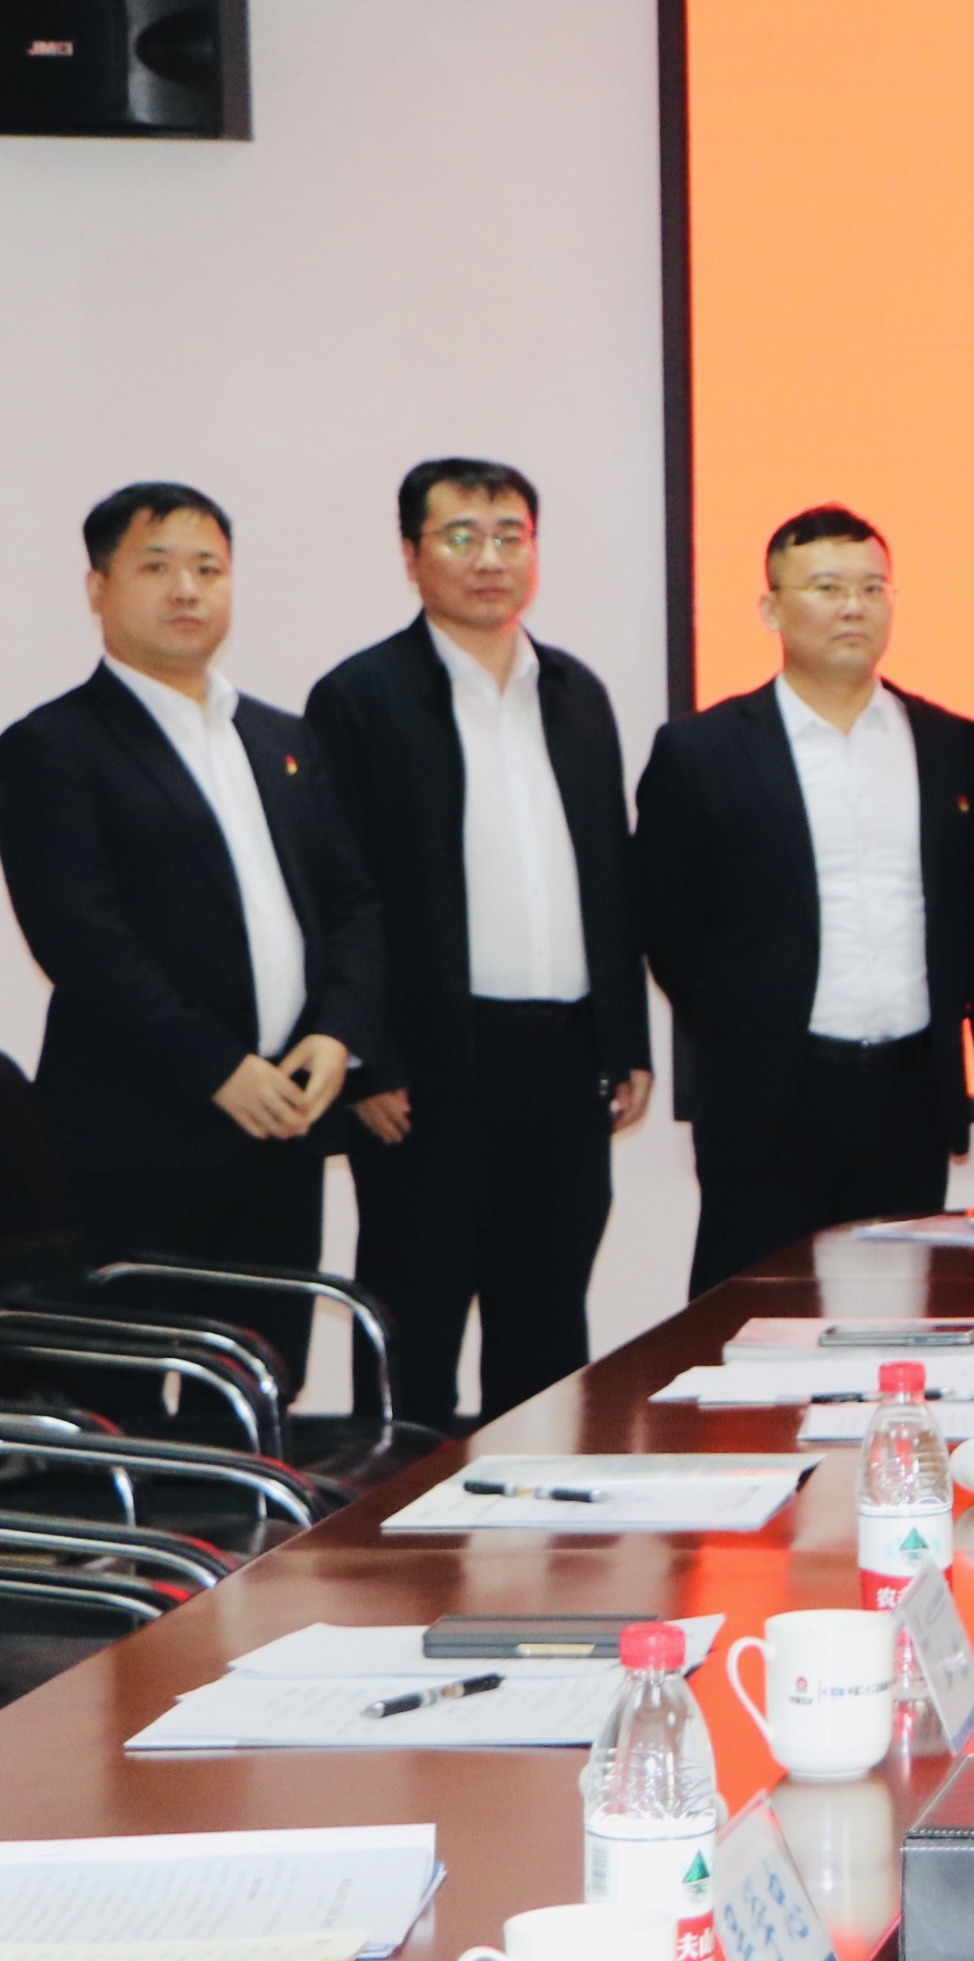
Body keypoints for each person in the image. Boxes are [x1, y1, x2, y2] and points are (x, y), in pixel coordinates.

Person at [0, 484, 383, 1382]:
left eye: (209, 568)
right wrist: (219, 1068)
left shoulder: (282, 738)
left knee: (262, 1385)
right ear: (98, 589)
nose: (187, 589)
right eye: (157, 566)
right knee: (124, 1396)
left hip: (281, 1124)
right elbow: (81, 940)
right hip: (136, 1134)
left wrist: (337, 1033)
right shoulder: (52, 745)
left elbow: (354, 905)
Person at [306, 459, 649, 1425]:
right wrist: (367, 1059)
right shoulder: (361, 696)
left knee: (548, 1330)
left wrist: (625, 1039)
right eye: (461, 536)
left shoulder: (575, 692)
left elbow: (609, 877)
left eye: (509, 536)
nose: (489, 558)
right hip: (426, 1073)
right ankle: (400, 1520)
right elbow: (335, 895)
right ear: (411, 554)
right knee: (414, 1329)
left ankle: (540, 1515)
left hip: (566, 1061)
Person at [636, 507, 974, 1294]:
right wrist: (743, 1023)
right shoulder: (703, 750)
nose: (854, 606)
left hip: (907, 1094)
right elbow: (667, 923)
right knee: (753, 1319)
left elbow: (971, 913)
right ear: (770, 608)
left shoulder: (949, 743)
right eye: (826, 587)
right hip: (768, 1096)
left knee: (900, 1312)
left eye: (872, 587)